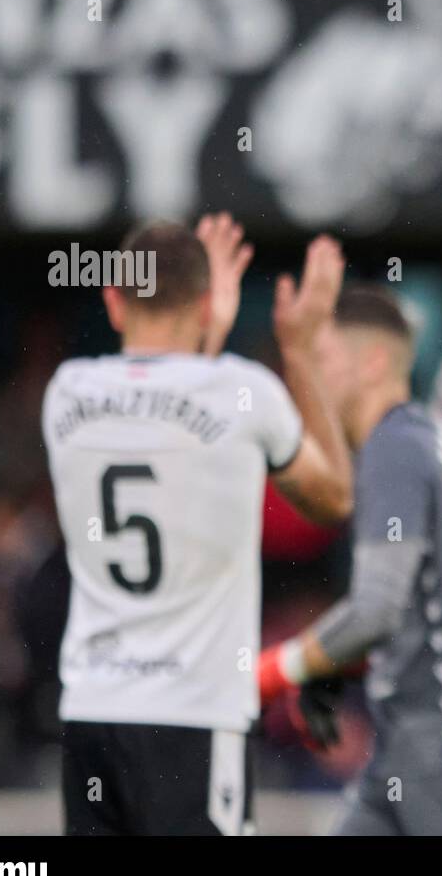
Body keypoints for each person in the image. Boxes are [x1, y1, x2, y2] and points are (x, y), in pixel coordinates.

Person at [43, 216, 354, 834]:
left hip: (92, 714)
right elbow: (334, 498)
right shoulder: (246, 392)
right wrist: (300, 351)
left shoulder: (67, 392)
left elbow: (165, 407)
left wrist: (206, 331)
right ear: (209, 301)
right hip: (195, 718)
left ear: (113, 299)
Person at [258, 285, 442, 835]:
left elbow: (377, 610)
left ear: (372, 363)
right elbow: (426, 601)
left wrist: (276, 671)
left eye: (322, 359)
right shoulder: (429, 440)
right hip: (407, 758)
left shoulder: (393, 448)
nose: (311, 381)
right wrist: (333, 666)